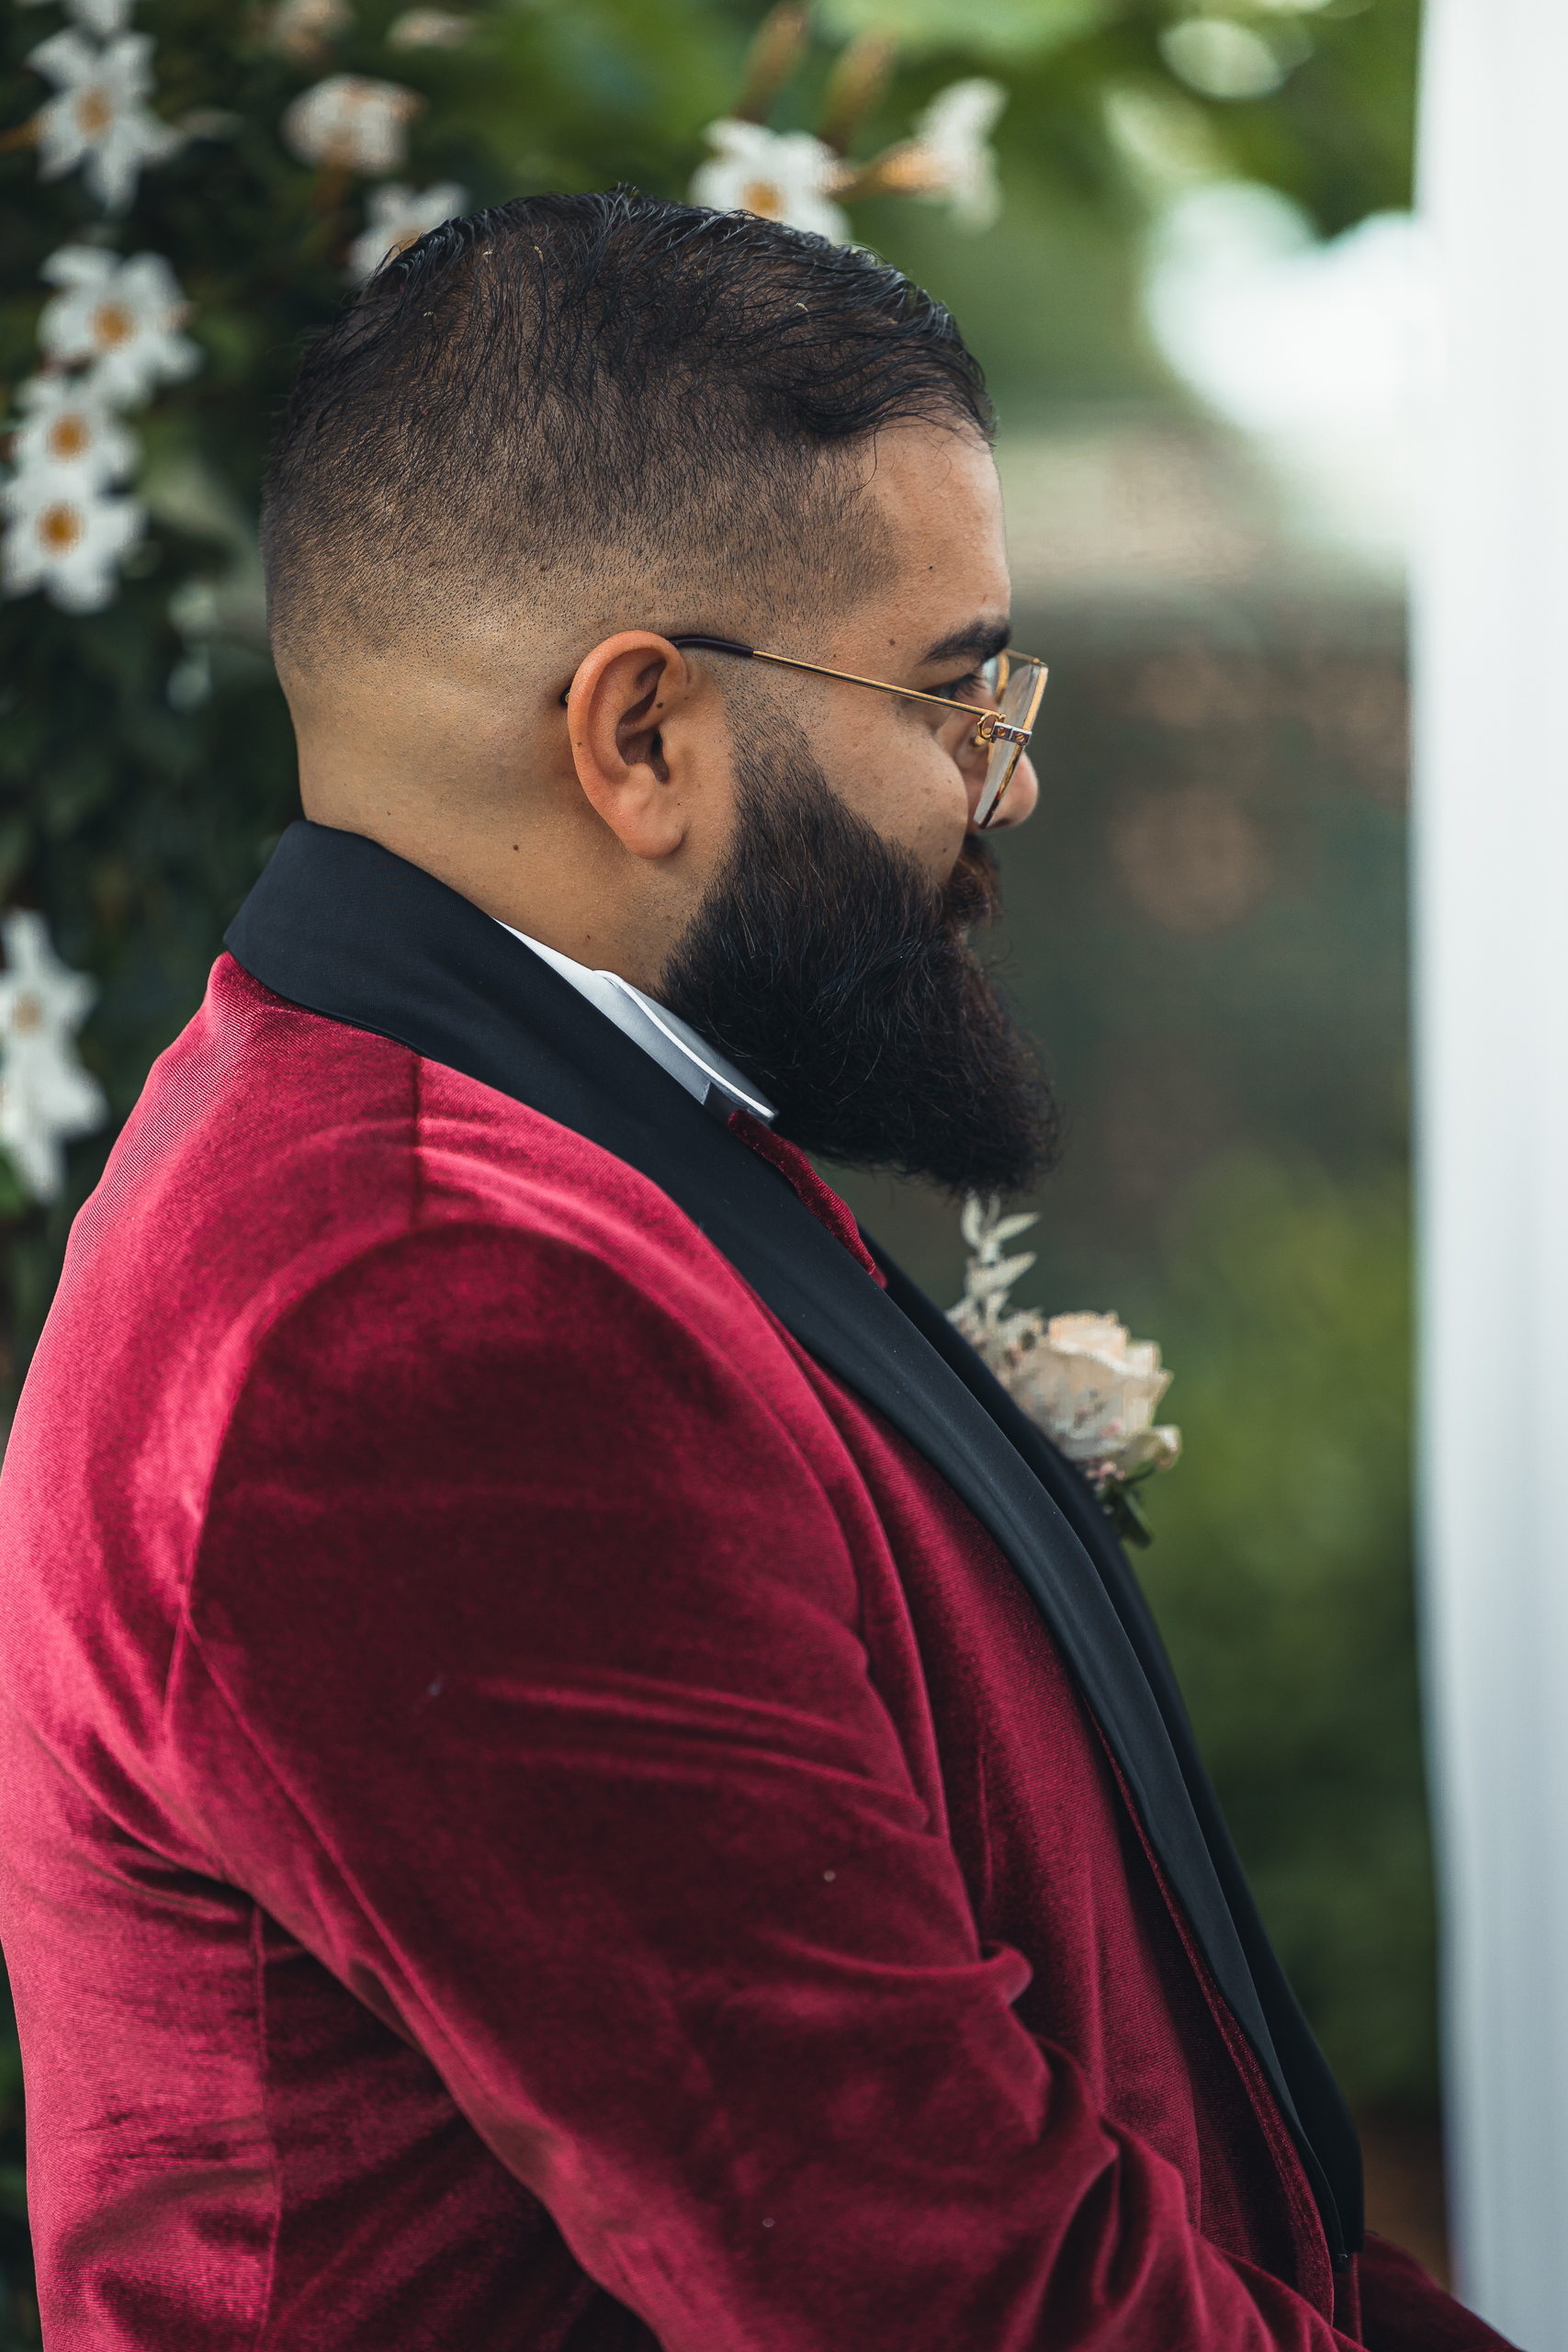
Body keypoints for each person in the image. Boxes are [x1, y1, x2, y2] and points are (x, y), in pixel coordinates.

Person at [0, 190, 1513, 2352]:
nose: (1002, 786)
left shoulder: (543, 1151)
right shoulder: (416, 1307)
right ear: (639, 736)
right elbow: (942, 2285)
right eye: (949, 692)